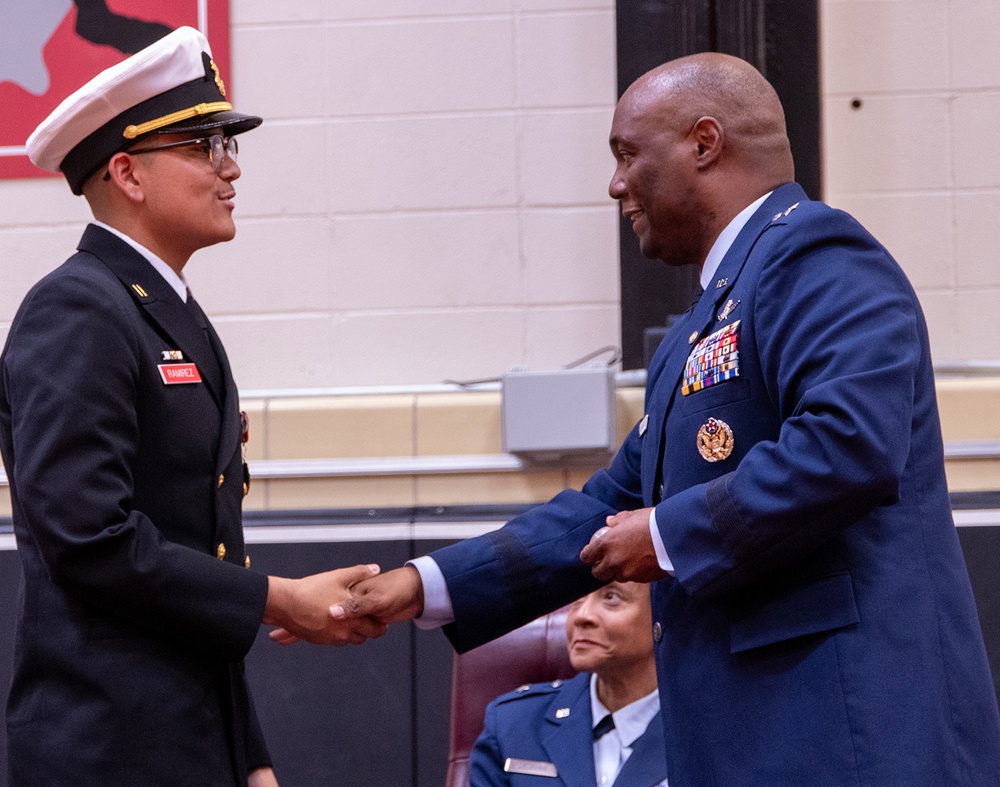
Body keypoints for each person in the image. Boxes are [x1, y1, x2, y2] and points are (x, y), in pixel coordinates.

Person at [308, 51, 1000, 785]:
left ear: (704, 143)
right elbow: (606, 512)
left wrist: (666, 534)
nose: (614, 184)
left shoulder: (818, 252)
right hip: (751, 744)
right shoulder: (693, 332)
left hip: (854, 741)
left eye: (627, 154)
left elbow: (847, 445)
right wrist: (420, 584)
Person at [0, 27, 384, 786]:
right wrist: (279, 598)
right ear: (127, 173)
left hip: (187, 741)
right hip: (104, 749)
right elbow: (89, 538)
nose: (230, 168)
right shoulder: (77, 309)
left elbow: (199, 565)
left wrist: (251, 755)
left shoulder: (171, 314)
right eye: (204, 147)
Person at [470, 581, 668, 787]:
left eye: (612, 597)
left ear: (662, 617)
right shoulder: (512, 724)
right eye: (577, 598)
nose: (582, 615)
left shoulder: (699, 730)